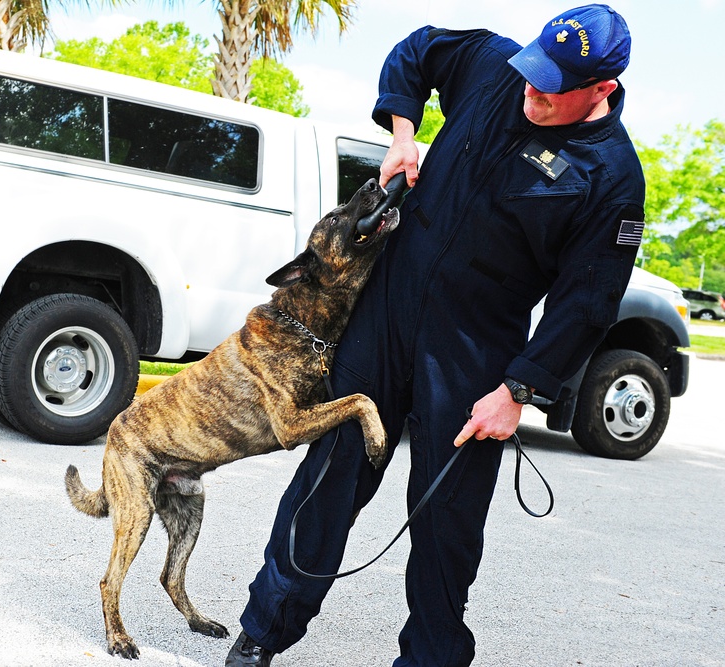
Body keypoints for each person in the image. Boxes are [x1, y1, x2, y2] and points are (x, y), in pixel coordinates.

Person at [225, 5, 644, 666]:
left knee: (445, 519)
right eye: (534, 75)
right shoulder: (497, 67)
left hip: (475, 346)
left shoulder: (612, 178)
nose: (532, 92)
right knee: (329, 477)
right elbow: (416, 51)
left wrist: (518, 388)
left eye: (553, 88)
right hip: (389, 308)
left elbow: (585, 303)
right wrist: (402, 133)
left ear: (602, 90)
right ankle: (265, 628)